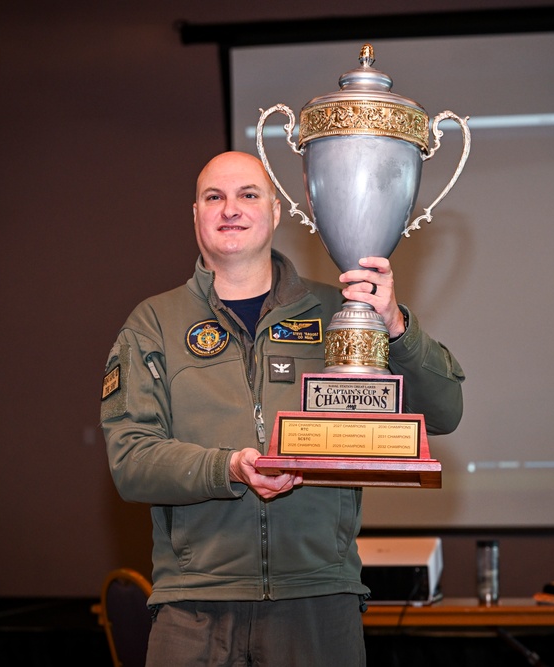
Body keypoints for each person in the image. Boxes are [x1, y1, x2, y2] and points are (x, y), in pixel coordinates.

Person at [100, 151, 464, 666]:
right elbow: (130, 460)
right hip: (195, 607)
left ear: (276, 211)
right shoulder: (152, 323)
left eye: (248, 195)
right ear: (196, 215)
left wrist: (394, 326)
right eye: (214, 197)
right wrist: (228, 467)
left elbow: (444, 411)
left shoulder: (341, 314)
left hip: (318, 604)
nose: (231, 208)